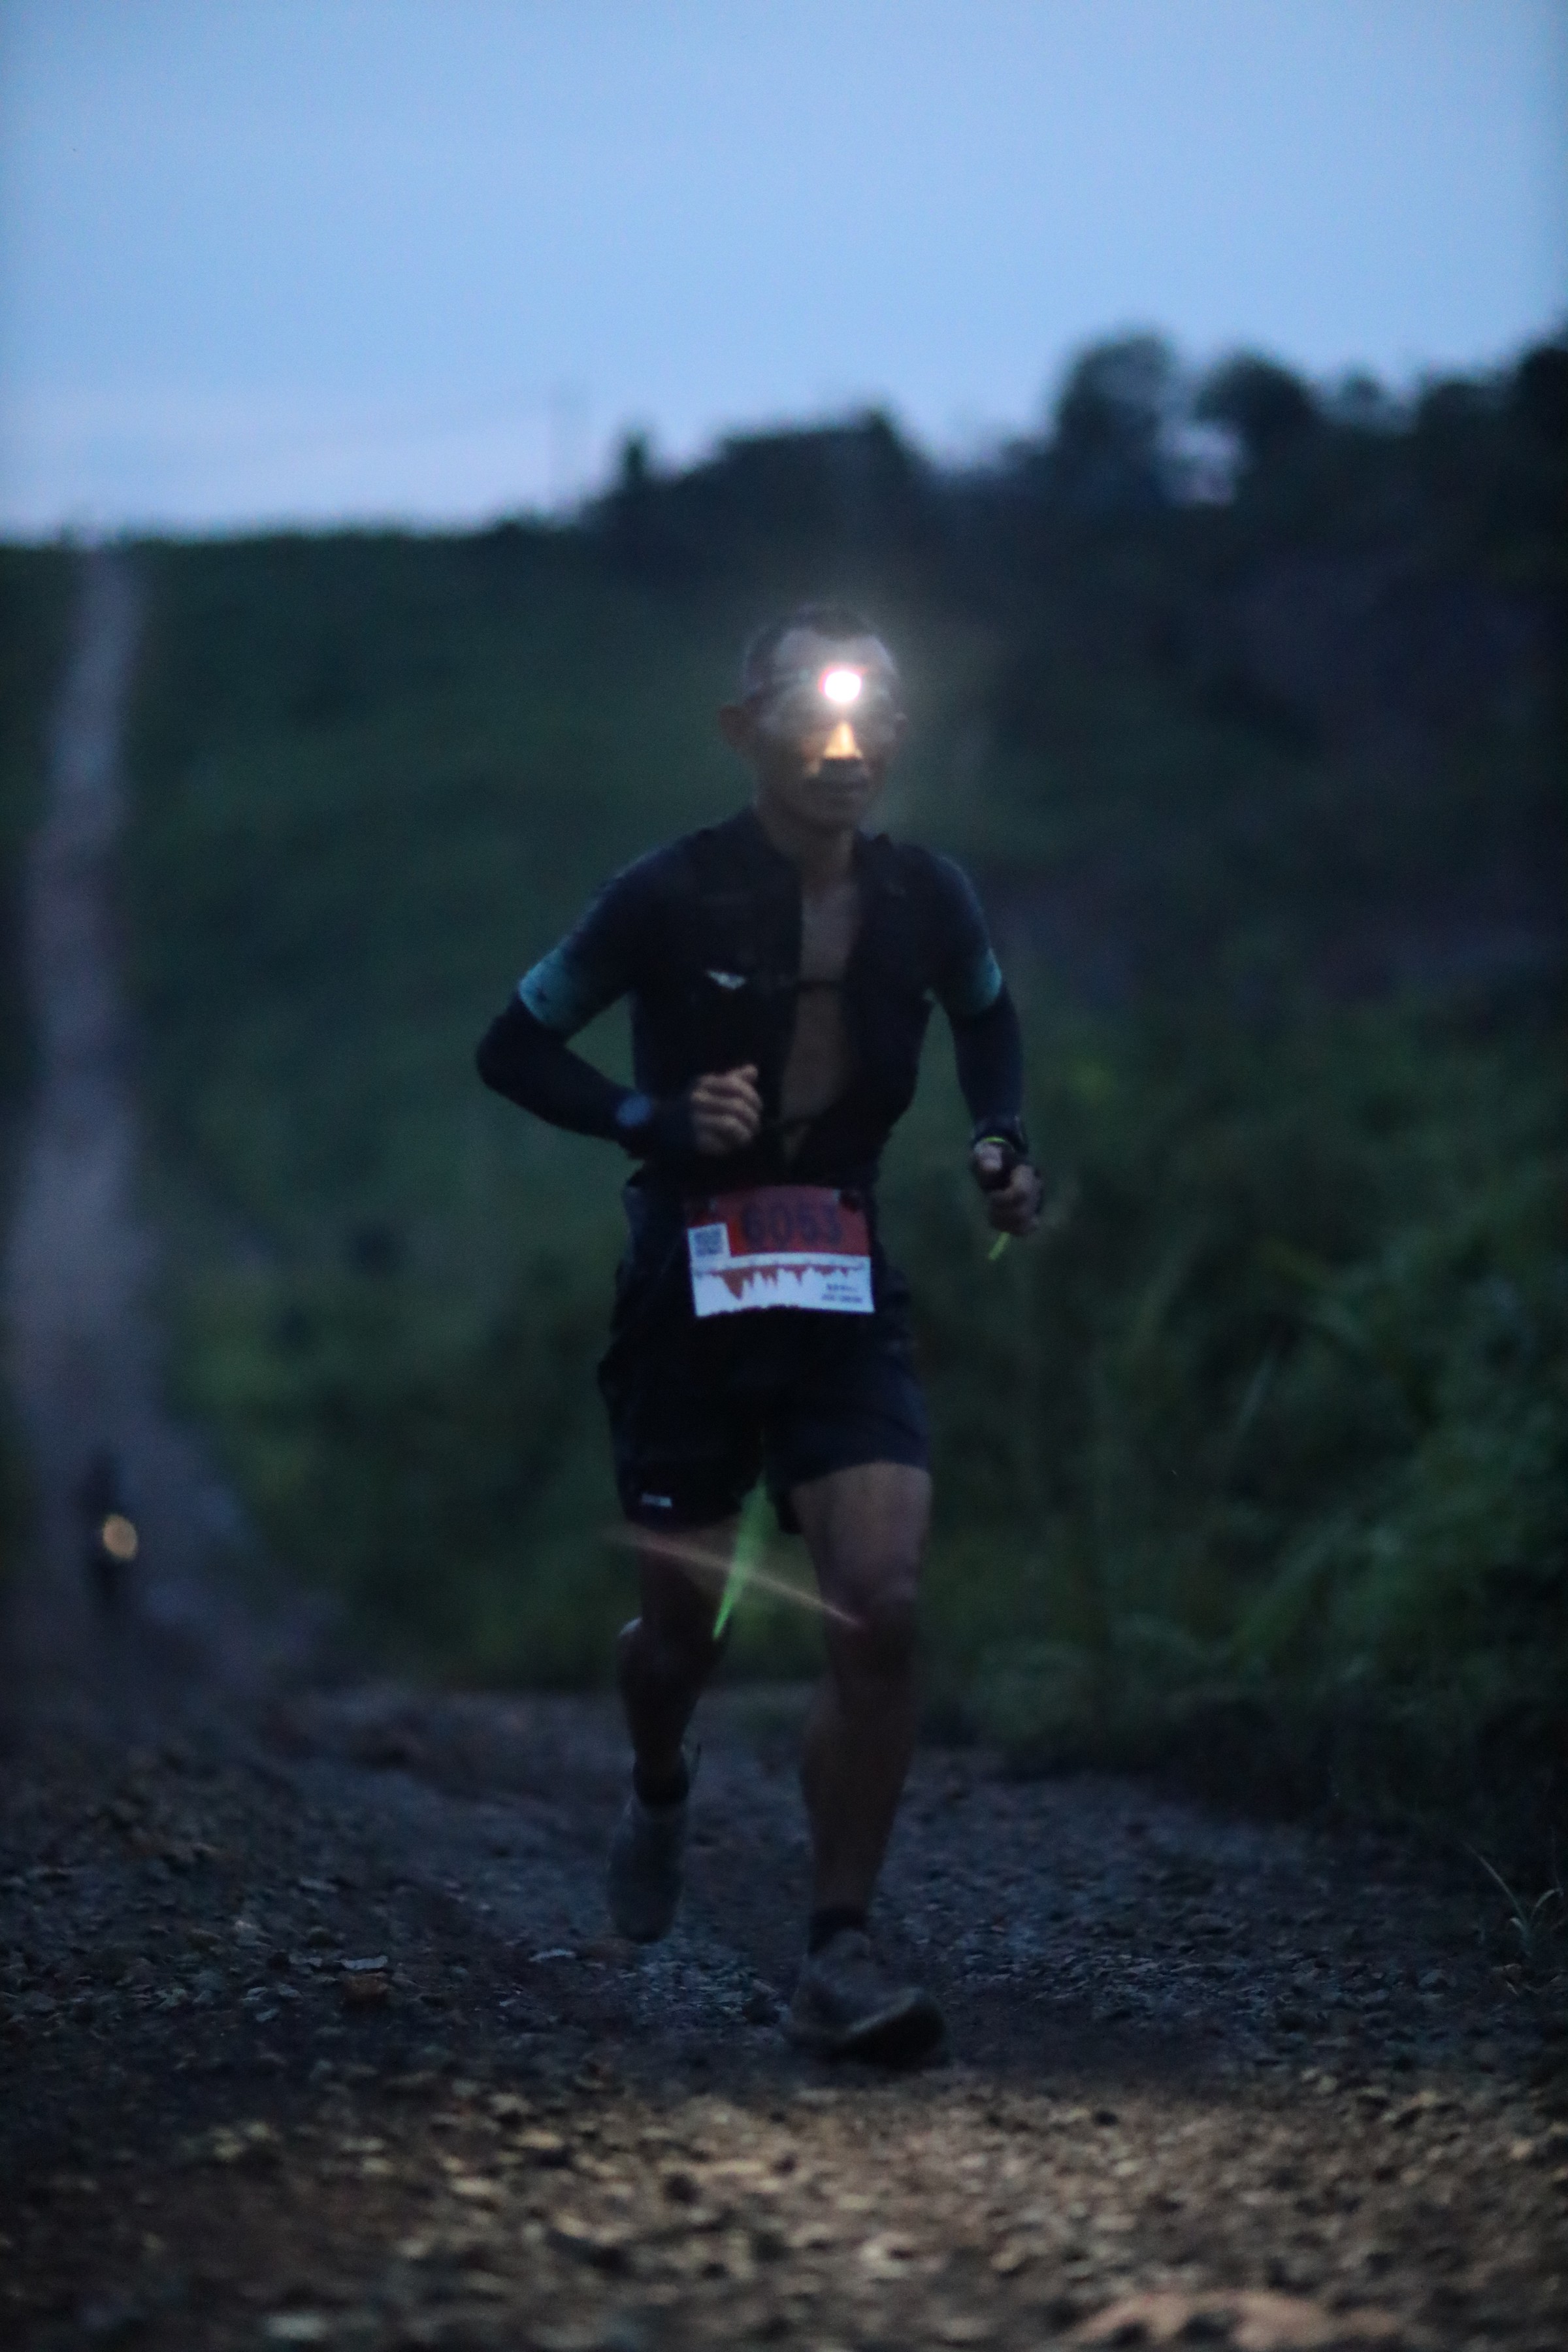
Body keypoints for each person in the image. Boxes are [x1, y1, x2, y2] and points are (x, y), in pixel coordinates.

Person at [476, 603, 1042, 2058]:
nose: (848, 745)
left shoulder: (929, 899)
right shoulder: (665, 895)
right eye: (815, 713)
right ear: (745, 733)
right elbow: (513, 1045)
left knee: (883, 1607)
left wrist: (999, 1141)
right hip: (689, 1288)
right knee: (684, 1640)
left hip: (843, 1281)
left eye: (875, 716)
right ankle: (657, 1780)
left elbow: (988, 1020)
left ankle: (837, 1952)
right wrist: (650, 1115)